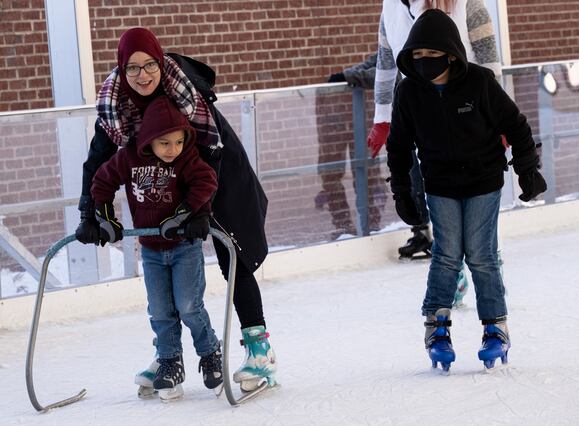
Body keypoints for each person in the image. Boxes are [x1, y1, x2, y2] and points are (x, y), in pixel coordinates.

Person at [76, 28, 277, 393]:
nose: (142, 75)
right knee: (163, 271)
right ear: (122, 69)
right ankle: (168, 353)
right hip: (169, 184)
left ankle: (259, 352)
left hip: (218, 171)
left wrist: (200, 209)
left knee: (234, 255)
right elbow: (98, 162)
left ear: (160, 61)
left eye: (149, 64)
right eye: (132, 68)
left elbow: (211, 150)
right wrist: (89, 213)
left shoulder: (185, 93)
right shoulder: (114, 105)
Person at [386, 9, 547, 371]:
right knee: (446, 254)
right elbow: (399, 146)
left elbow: (516, 125)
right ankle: (436, 327)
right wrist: (402, 193)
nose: (425, 62)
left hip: (483, 181)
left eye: (432, 54)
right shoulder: (410, 91)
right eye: (418, 56)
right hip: (440, 184)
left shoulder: (479, 82)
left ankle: (495, 327)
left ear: (451, 53)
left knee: (480, 255)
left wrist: (527, 172)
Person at [368, 0, 502, 306]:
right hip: (422, 117)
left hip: (469, 117)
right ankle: (451, 274)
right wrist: (383, 116)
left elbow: (489, 59)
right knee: (437, 198)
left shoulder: (468, 4)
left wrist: (496, 114)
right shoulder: (391, 7)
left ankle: (494, 277)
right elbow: (386, 62)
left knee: (479, 206)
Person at [91, 95, 221, 401]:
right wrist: (104, 215)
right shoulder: (130, 158)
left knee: (189, 306)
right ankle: (169, 362)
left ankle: (210, 352)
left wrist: (186, 212)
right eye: (165, 143)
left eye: (178, 142)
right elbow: (102, 181)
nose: (172, 149)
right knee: (161, 311)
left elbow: (207, 180)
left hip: (184, 247)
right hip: (150, 250)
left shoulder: (186, 158)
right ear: (149, 139)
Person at [318, 54, 387, 238]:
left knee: (368, 172)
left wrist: (348, 76)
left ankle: (372, 225)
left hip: (382, 116)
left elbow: (386, 72)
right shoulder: (390, 32)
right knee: (330, 172)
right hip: (337, 114)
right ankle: (343, 226)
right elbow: (377, 61)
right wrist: (346, 74)